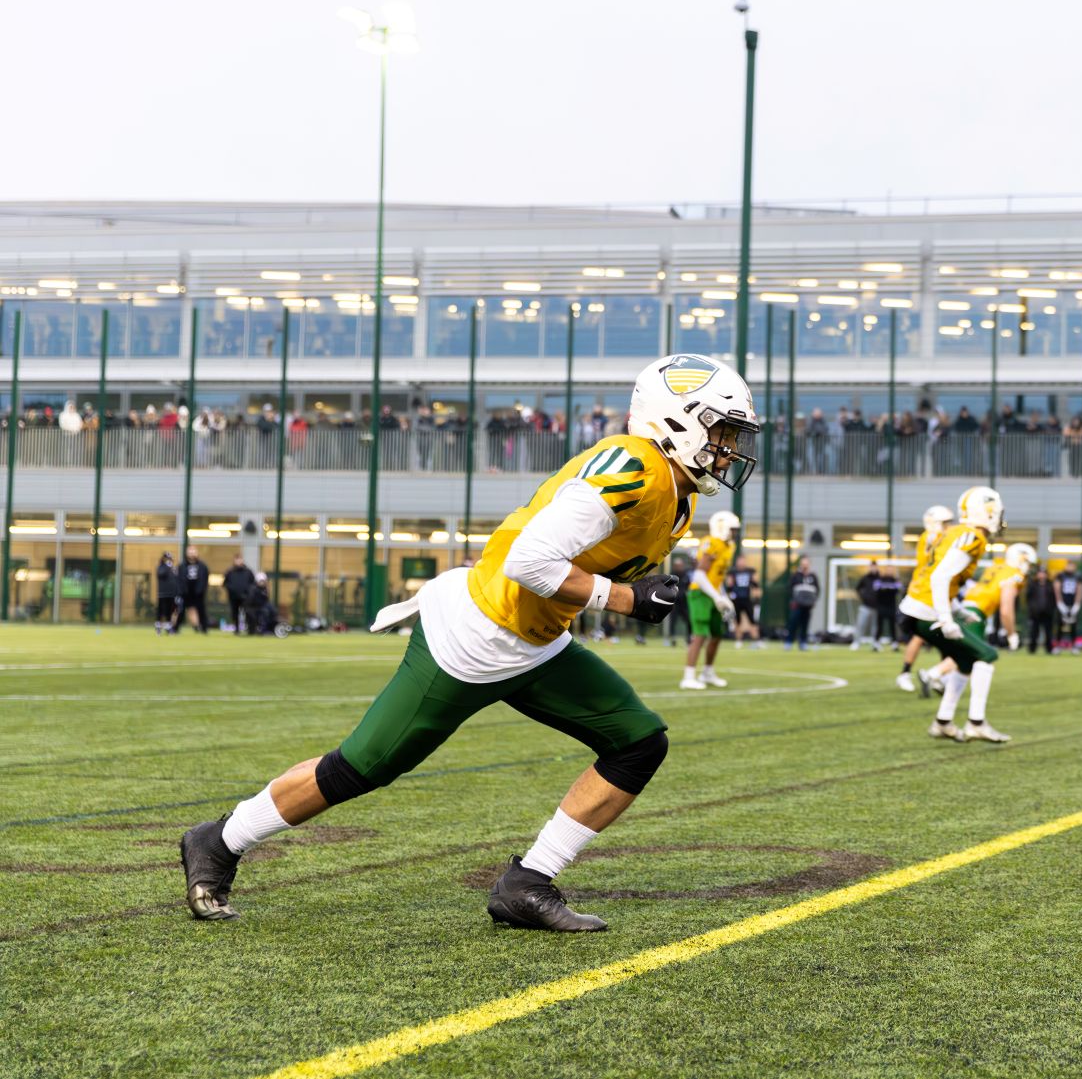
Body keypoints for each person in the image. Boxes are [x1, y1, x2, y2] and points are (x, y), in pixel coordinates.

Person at [178, 351, 755, 930]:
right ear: (674, 420)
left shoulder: (677, 494)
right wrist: (626, 598)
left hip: (535, 640)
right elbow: (531, 560)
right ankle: (220, 839)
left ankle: (528, 882)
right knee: (359, 768)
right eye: (721, 431)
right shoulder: (634, 468)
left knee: (638, 741)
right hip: (477, 635)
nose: (728, 448)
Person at [899, 486, 1009, 742]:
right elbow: (939, 576)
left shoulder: (957, 532)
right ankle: (976, 723)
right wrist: (947, 619)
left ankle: (943, 722)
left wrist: (957, 610)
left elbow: (939, 577)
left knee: (966, 662)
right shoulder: (973, 537)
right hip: (926, 612)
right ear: (986, 512)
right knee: (987, 654)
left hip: (916, 608)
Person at [896, 506, 953, 692]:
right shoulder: (933, 537)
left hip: (932, 594)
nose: (950, 526)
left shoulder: (931, 537)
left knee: (944, 638)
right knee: (921, 636)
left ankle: (939, 676)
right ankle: (907, 673)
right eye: (946, 523)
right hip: (925, 595)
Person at [681, 510, 740, 690]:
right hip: (700, 593)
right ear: (722, 527)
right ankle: (688, 676)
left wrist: (724, 597)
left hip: (713, 593)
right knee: (700, 634)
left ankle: (707, 672)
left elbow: (718, 576)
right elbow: (699, 576)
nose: (735, 533)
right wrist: (717, 596)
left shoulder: (729, 547)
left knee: (716, 634)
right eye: (733, 529)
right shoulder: (711, 543)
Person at [784, 557, 820, 648]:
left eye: (806, 563)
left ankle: (803, 642)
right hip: (797, 604)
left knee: (805, 624)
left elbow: (817, 589)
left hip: (808, 605)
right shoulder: (796, 575)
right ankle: (789, 641)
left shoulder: (813, 576)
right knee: (793, 622)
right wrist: (794, 599)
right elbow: (789, 588)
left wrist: (814, 600)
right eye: (803, 563)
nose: (805, 565)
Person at [1024, 562, 1057, 656]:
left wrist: (1051, 609)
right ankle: (1032, 649)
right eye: (1040, 573)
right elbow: (1028, 599)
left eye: (1043, 573)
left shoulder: (1050, 585)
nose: (1042, 575)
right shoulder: (1032, 585)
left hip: (1047, 613)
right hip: (1035, 613)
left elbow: (1054, 599)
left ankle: (1049, 649)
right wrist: (1032, 609)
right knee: (1034, 632)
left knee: (1048, 632)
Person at [177, 547, 210, 634]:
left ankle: (204, 628)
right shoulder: (182, 566)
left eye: (193, 552)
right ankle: (176, 628)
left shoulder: (202, 566)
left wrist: (202, 589)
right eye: (190, 552)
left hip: (198, 593)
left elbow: (205, 579)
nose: (192, 554)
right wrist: (182, 590)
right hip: (186, 593)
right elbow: (179, 579)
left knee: (201, 611)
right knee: (181, 611)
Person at [223, 555, 255, 636]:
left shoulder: (248, 572)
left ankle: (250, 629)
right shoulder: (229, 572)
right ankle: (236, 629)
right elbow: (225, 583)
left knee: (247, 612)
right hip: (233, 597)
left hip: (246, 597)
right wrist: (231, 590)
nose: (238, 562)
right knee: (235, 614)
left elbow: (252, 583)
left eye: (240, 560)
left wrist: (248, 592)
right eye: (237, 560)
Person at [1054, 566, 1082, 651]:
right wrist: (1060, 604)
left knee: (1073, 627)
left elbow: (1080, 590)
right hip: (1063, 604)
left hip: (1073, 604)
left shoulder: (1077, 577)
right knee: (1060, 626)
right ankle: (1058, 645)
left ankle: (1074, 646)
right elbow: (1057, 589)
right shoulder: (1061, 576)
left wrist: (1076, 604)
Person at [154, 551, 180, 634]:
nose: (168, 560)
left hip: (171, 594)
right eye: (166, 558)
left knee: (170, 611)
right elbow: (161, 574)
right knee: (161, 611)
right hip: (162, 594)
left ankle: (168, 626)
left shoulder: (173, 568)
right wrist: (167, 567)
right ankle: (158, 626)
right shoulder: (161, 567)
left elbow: (176, 580)